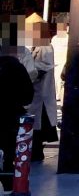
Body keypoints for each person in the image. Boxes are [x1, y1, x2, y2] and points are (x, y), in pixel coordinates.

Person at [0, 19, 33, 193]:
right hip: (12, 116)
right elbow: (28, 95)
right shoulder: (17, 66)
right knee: (9, 151)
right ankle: (7, 182)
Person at [26, 18, 57, 162]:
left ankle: (37, 151)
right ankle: (36, 150)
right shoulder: (39, 46)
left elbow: (45, 66)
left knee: (38, 124)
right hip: (39, 93)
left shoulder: (45, 47)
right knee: (37, 124)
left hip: (41, 93)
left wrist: (32, 73)